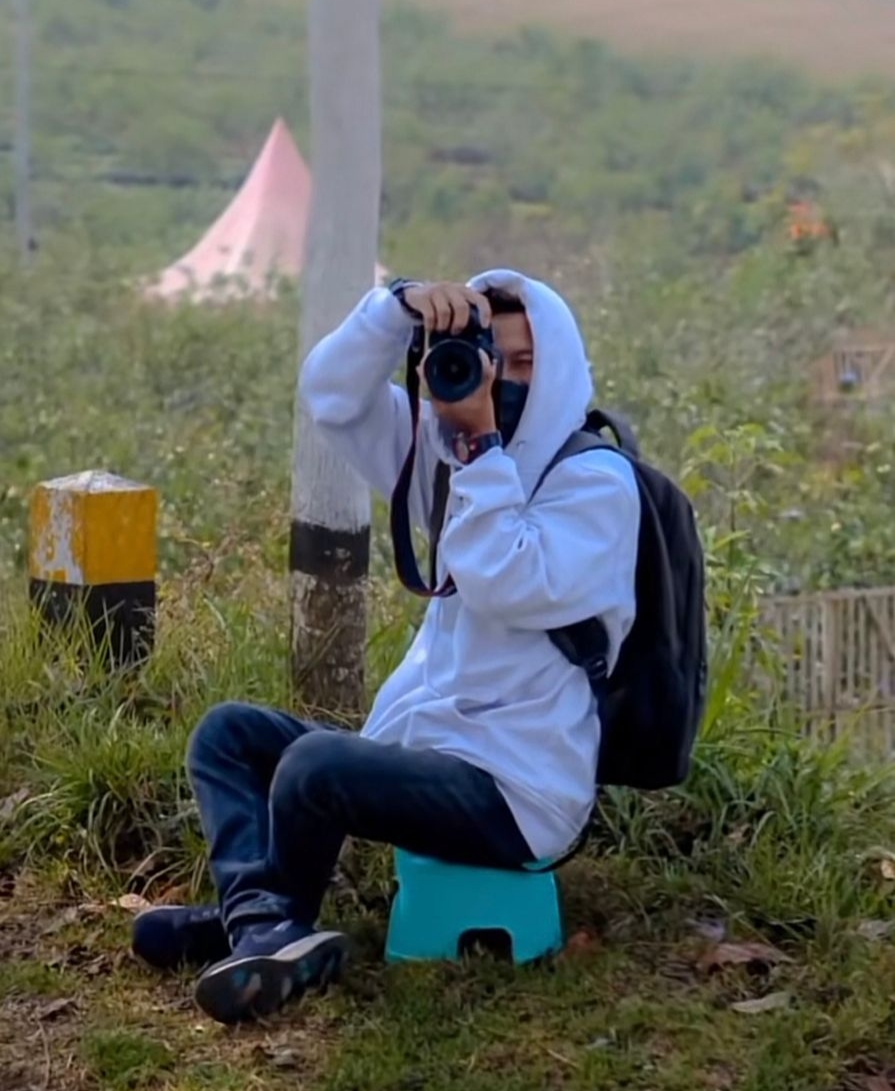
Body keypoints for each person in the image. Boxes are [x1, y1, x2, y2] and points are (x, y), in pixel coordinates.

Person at [131, 269, 640, 1025]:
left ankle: (264, 926)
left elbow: (506, 581)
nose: (503, 378)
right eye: (487, 355)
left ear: (561, 364)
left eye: (526, 361)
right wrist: (394, 309)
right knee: (228, 734)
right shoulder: (443, 451)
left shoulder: (594, 483)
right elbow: (330, 394)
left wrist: (477, 446)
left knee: (316, 765)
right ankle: (261, 923)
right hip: (427, 749)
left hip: (516, 789)